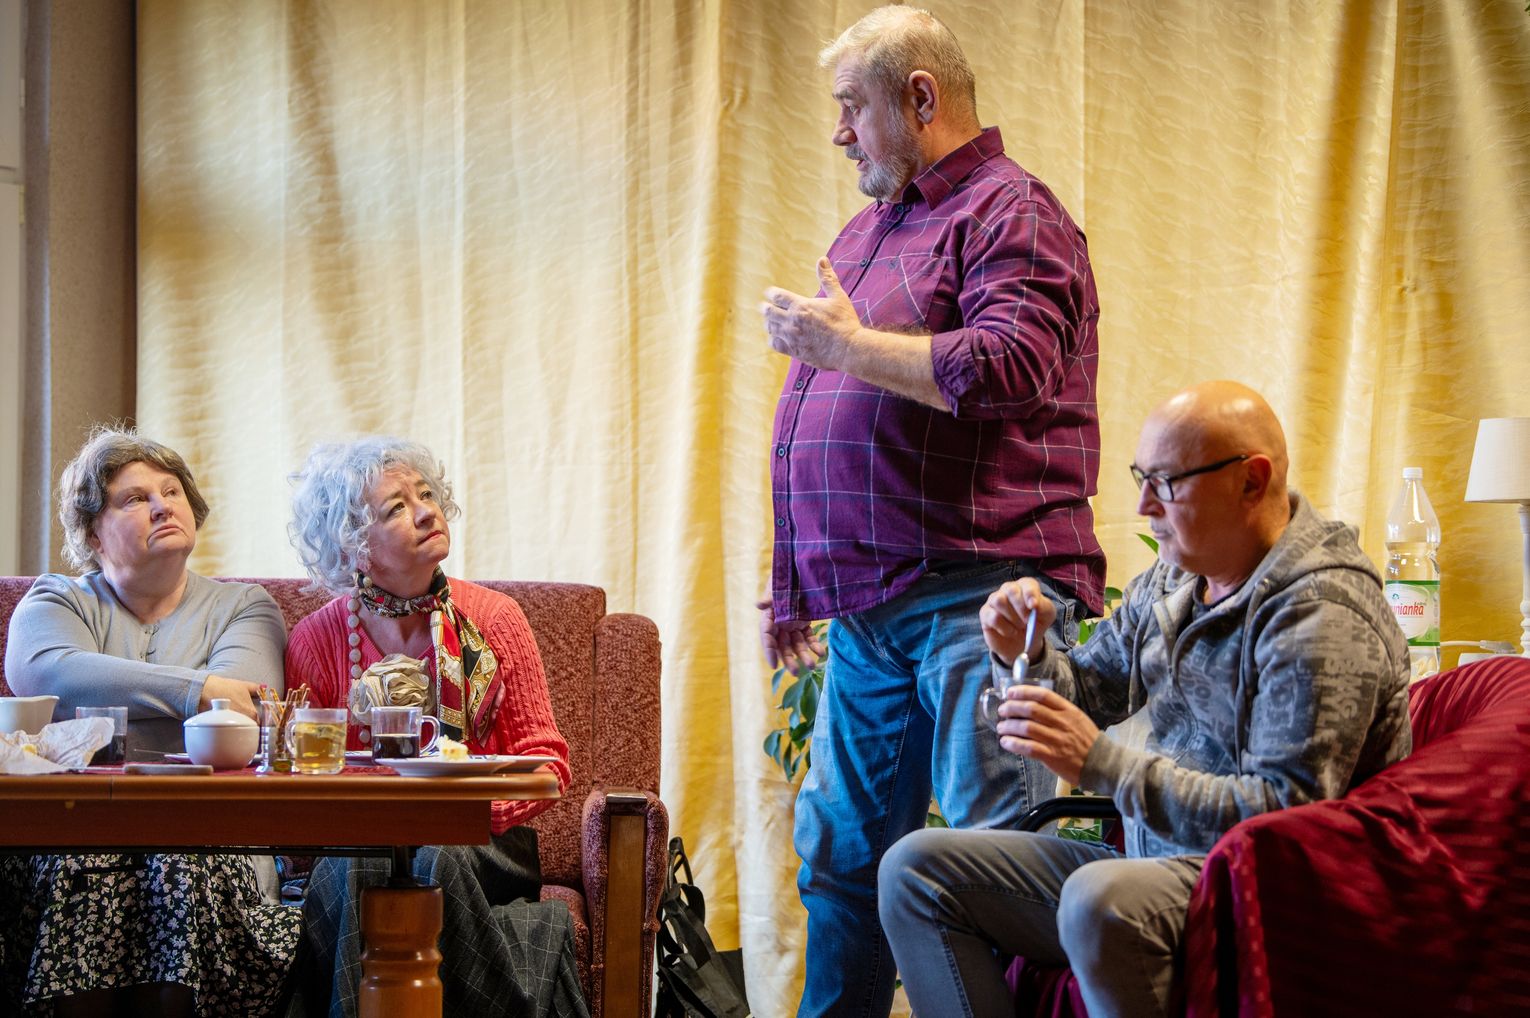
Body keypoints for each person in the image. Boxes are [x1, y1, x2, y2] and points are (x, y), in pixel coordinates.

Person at [755, 6, 1105, 1013]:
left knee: (996, 871)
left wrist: (843, 346)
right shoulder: (874, 229)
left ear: (920, 97)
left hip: (983, 599)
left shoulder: (1013, 211)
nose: (838, 133)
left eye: (850, 106)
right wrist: (798, 581)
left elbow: (1008, 366)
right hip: (874, 610)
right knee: (841, 866)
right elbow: (833, 417)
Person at [878, 381, 1414, 1016]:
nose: (1142, 506)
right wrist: (1026, 651)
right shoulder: (1177, 574)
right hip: (1153, 859)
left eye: (1165, 483)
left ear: (1251, 481)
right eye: (1141, 478)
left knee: (1099, 899)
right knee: (914, 869)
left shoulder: (1320, 613)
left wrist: (1105, 765)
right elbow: (1087, 689)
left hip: (1262, 888)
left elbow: (1282, 816)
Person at [1, 427, 299, 1017]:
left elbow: (239, 715)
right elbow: (49, 674)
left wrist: (117, 699)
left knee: (177, 863)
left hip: (213, 832)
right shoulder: (56, 600)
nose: (162, 505)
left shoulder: (245, 606)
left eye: (171, 491)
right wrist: (199, 688)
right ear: (92, 533)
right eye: (135, 499)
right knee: (86, 864)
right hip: (79, 832)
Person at [284, 436, 586, 1018]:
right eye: (396, 508)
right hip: (361, 840)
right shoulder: (315, 640)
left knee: (435, 861)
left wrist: (457, 812)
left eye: (427, 495)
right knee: (362, 864)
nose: (427, 512)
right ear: (353, 545)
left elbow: (548, 762)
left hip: (482, 841)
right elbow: (304, 776)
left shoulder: (495, 618)